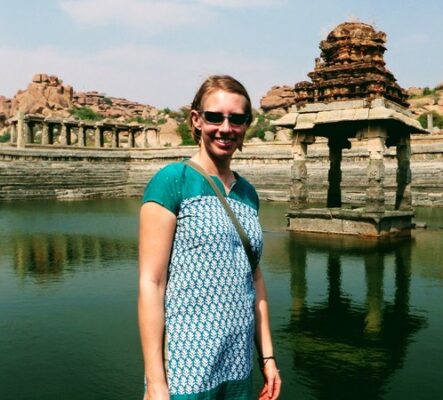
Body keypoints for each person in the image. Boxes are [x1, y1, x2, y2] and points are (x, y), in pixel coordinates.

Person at [138, 75, 281, 400]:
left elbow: (255, 278)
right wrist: (156, 383)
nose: (225, 128)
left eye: (236, 119)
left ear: (246, 126)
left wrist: (268, 358)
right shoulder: (173, 181)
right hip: (185, 372)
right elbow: (152, 283)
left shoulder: (248, 194)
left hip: (238, 365)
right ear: (196, 120)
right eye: (215, 117)